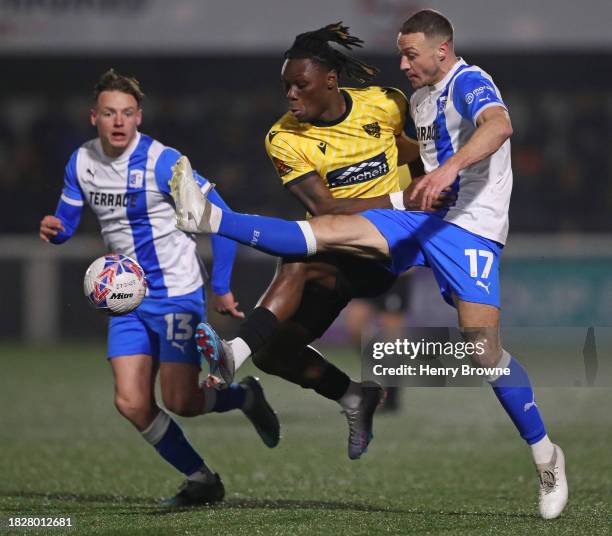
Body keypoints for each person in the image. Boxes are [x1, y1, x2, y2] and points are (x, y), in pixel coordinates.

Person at [170, 10, 568, 520]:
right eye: (400, 53)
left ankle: (545, 455)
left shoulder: (468, 81)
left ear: (440, 51)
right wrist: (418, 183)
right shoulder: (417, 101)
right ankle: (210, 218)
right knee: (318, 236)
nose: (400, 63)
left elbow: (499, 125)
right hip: (416, 217)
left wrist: (446, 168)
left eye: (410, 54)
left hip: (470, 230)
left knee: (483, 353)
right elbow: (399, 170)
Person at [193, 23, 450, 460]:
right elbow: (326, 208)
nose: (291, 95)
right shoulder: (284, 138)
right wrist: (399, 195)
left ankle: (233, 352)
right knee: (274, 354)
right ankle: (354, 396)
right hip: (336, 255)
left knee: (297, 255)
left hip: (384, 249)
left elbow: (410, 150)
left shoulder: (386, 104)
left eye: (301, 85)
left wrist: (433, 184)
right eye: (286, 87)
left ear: (331, 80)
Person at [39, 69, 279, 507]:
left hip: (176, 295)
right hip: (126, 300)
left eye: (127, 113)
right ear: (93, 117)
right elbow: (66, 223)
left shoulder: (164, 162)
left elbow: (223, 221)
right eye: (109, 113)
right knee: (131, 402)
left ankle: (245, 396)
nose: (118, 122)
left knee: (182, 400)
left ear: (139, 117)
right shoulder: (81, 162)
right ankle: (202, 479)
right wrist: (55, 230)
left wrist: (221, 287)